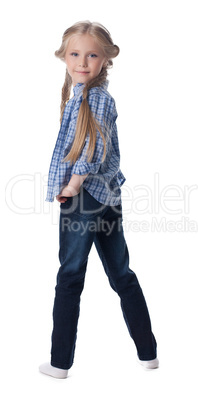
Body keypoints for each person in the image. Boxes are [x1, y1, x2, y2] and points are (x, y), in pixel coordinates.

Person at [39, 21, 158, 379]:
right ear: (65, 57)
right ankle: (148, 354)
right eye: (75, 54)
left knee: (70, 276)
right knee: (121, 273)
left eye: (92, 54)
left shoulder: (95, 99)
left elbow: (91, 147)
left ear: (106, 59)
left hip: (85, 197)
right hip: (107, 197)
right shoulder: (81, 95)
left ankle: (60, 363)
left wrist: (73, 185)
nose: (83, 61)